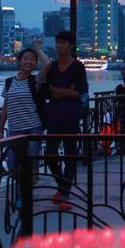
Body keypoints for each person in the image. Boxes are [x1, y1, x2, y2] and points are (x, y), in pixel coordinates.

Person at [40, 31, 88, 211]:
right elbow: (45, 90)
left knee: (70, 155)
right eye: (57, 42)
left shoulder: (77, 67)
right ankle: (62, 186)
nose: (59, 46)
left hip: (70, 115)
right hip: (54, 115)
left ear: (70, 45)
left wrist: (56, 90)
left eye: (62, 43)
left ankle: (65, 193)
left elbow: (78, 92)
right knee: (50, 154)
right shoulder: (52, 67)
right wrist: (63, 90)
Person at [0, 44, 49, 182]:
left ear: (36, 62)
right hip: (14, 129)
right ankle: (22, 190)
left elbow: (49, 65)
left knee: (32, 163)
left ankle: (29, 197)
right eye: (25, 58)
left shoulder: (36, 80)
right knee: (12, 164)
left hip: (33, 127)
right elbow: (5, 108)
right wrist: (1, 129)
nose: (28, 62)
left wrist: (38, 49)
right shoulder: (9, 82)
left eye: (32, 59)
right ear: (19, 61)